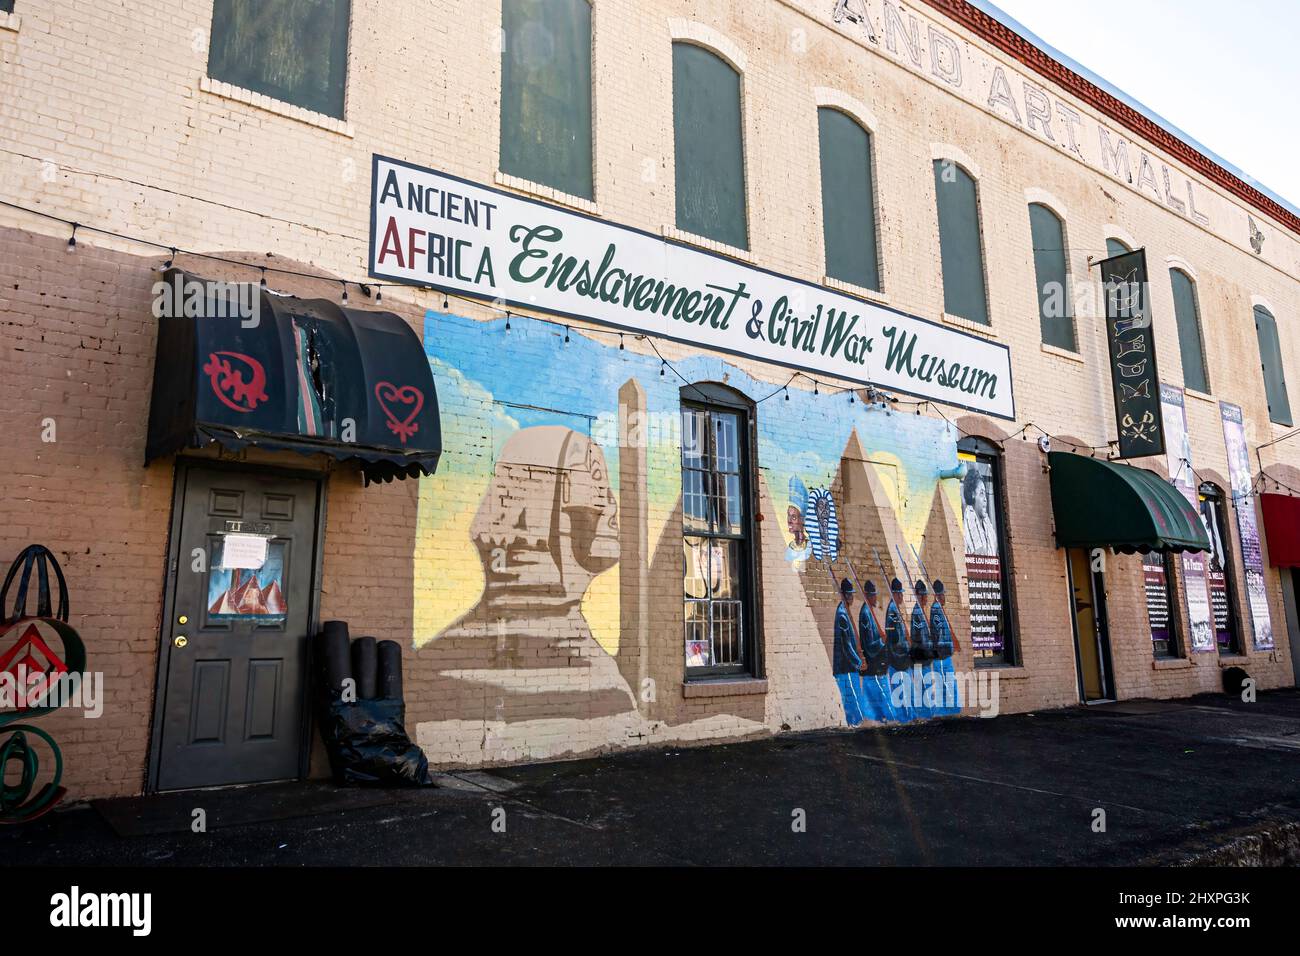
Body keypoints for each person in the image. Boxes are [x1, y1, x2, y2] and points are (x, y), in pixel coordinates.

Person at [856, 580, 896, 722]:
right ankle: (882, 717)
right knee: (879, 693)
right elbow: (868, 644)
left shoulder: (869, 612)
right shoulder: (866, 614)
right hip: (873, 664)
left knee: (875, 695)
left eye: (875, 595)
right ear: (868, 596)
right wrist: (881, 641)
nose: (875, 598)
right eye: (873, 595)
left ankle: (880, 718)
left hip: (876, 664)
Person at [833, 578, 865, 727]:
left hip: (848, 667)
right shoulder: (842, 616)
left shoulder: (845, 613)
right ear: (845, 596)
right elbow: (846, 646)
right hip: (845, 668)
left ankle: (854, 726)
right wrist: (859, 663)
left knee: (853, 700)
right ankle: (854, 727)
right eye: (850, 595)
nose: (852, 598)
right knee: (851, 700)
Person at [929, 579, 962, 716]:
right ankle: (947, 711)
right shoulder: (936, 610)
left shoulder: (939, 610)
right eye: (942, 594)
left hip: (944, 655)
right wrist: (949, 648)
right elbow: (938, 636)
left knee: (948, 683)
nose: (944, 597)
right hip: (941, 656)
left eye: (944, 594)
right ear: (937, 595)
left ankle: (951, 710)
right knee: (945, 683)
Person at [884, 578, 913, 722]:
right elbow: (896, 640)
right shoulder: (893, 612)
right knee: (902, 693)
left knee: (902, 693)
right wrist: (909, 648)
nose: (902, 597)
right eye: (899, 594)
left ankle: (905, 719)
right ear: (894, 594)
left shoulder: (894, 610)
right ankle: (905, 720)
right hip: (898, 661)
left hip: (898, 660)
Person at [910, 580, 936, 719]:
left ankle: (926, 714)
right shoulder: (917, 614)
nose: (926, 598)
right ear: (919, 596)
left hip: (924, 659)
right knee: (923, 688)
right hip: (920, 659)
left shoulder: (921, 612)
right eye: (924, 595)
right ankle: (924, 715)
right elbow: (919, 639)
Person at [962, 467, 998, 556]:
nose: (985, 499)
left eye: (985, 494)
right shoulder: (967, 521)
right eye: (981, 493)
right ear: (972, 494)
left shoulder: (986, 522)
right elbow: (978, 554)